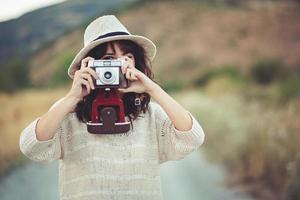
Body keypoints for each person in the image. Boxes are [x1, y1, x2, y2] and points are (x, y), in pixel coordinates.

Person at [19, 15, 205, 200]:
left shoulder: (149, 114)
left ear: (136, 63)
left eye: (127, 57)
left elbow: (193, 138)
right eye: (108, 59)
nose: (118, 66)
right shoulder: (69, 110)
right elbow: (31, 147)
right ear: (90, 66)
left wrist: (152, 88)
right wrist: (73, 97)